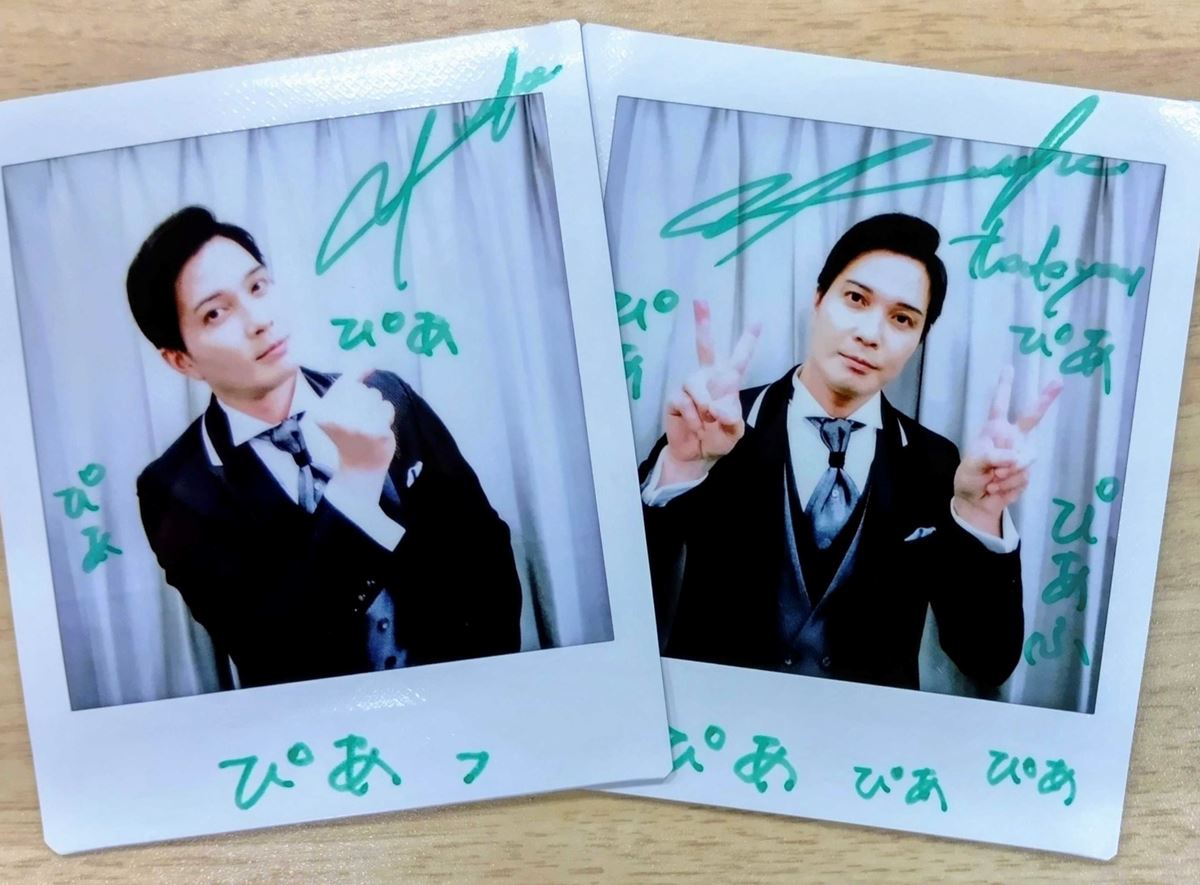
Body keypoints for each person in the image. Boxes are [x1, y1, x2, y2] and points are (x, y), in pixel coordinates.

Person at [640, 213, 1061, 691]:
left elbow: (986, 661)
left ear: (919, 340)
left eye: (902, 319)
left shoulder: (936, 463)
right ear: (819, 299)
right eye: (856, 299)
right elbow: (626, 599)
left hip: (866, 733)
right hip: (718, 720)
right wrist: (681, 468)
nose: (870, 334)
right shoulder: (716, 425)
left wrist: (978, 517)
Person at [128, 206, 522, 689]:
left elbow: (484, 547)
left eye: (257, 287)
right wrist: (356, 482)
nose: (258, 320)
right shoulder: (175, 487)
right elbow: (267, 648)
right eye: (215, 312)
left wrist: (481, 682)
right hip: (326, 730)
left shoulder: (383, 393)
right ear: (181, 360)